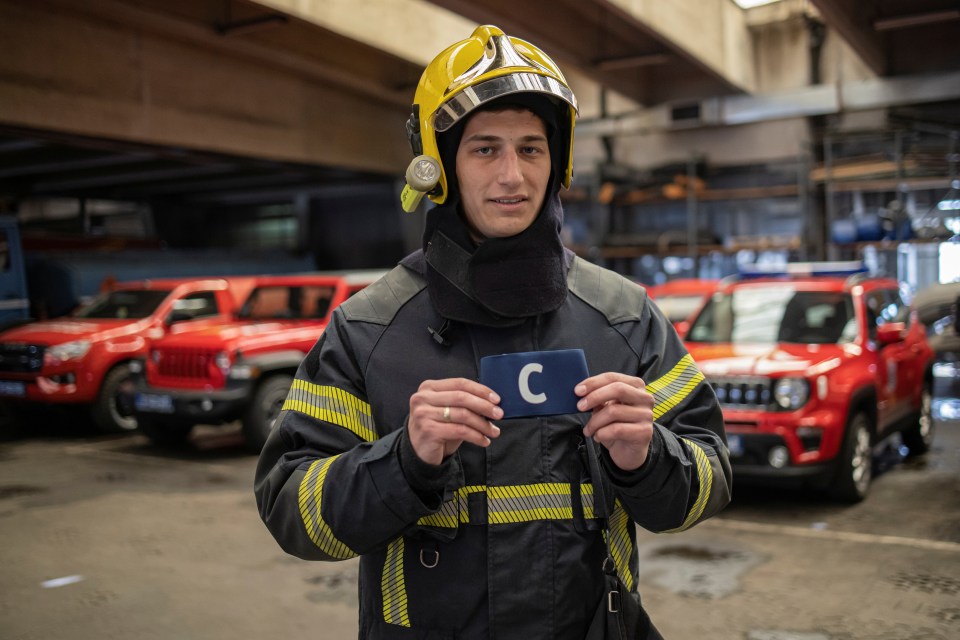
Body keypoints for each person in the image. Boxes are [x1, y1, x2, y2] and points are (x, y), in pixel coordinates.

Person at [255, 25, 732, 639]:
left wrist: (647, 458)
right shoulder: (368, 328)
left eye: (531, 149)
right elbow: (290, 510)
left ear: (556, 161)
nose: (512, 175)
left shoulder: (625, 314)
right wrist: (403, 461)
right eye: (485, 149)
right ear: (440, 166)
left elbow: (712, 477)